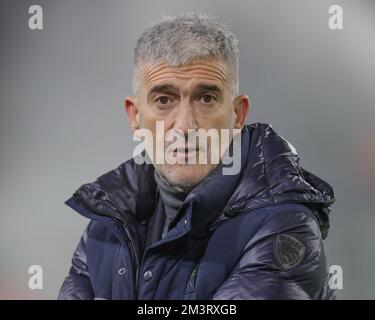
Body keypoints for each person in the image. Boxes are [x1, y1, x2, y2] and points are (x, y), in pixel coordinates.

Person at [58, 13, 336, 300]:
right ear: (136, 117)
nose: (185, 126)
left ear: (237, 114)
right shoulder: (107, 225)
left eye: (206, 99)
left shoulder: (284, 225)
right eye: (164, 100)